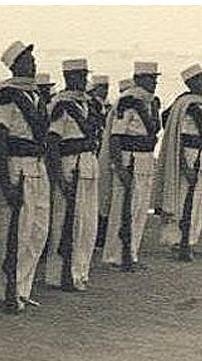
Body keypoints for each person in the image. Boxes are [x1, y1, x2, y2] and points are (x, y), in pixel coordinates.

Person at [0, 41, 54, 313]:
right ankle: (0, 290)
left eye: (33, 59)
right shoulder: (8, 95)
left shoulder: (34, 95)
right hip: (17, 166)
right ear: (15, 65)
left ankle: (22, 288)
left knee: (37, 231)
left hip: (37, 165)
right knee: (13, 232)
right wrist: (5, 182)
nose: (33, 64)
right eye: (27, 60)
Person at [43, 59, 100, 292]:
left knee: (87, 224)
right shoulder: (61, 105)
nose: (85, 80)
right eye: (81, 75)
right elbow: (52, 143)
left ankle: (79, 272)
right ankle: (59, 274)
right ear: (70, 77)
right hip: (70, 166)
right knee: (65, 222)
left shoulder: (86, 104)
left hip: (88, 166)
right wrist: (59, 177)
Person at [99, 62, 162, 270]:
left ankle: (131, 254)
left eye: (155, 78)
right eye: (150, 78)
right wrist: (119, 167)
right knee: (122, 210)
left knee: (139, 210)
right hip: (129, 161)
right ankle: (115, 256)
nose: (154, 82)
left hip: (144, 159)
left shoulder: (150, 102)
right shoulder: (128, 101)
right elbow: (116, 136)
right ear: (139, 79)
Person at [154, 64, 202, 262]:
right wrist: (184, 165)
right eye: (200, 80)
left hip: (201, 154)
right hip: (189, 154)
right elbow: (178, 136)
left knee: (198, 200)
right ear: (191, 83)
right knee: (183, 200)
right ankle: (177, 242)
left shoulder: (201, 103)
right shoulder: (187, 104)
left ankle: (188, 241)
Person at [88, 74, 111, 249]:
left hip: (102, 153)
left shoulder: (107, 107)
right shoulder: (92, 106)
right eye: (102, 88)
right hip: (94, 154)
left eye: (106, 87)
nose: (105, 91)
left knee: (103, 197)